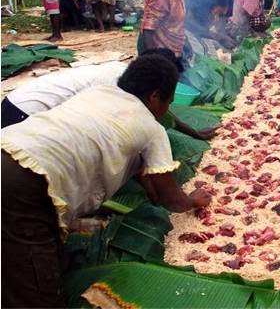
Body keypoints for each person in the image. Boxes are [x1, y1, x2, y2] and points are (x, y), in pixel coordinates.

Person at [1, 54, 212, 308]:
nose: (168, 109)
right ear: (155, 97)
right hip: (24, 178)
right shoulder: (151, 128)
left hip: (8, 143)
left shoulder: (99, 92)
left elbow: (134, 166)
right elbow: (171, 199)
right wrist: (193, 199)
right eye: (169, 100)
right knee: (37, 290)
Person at [1, 48, 217, 139]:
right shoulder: (118, 84)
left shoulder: (132, 78)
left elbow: (162, 110)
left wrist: (194, 133)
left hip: (21, 99)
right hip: (26, 110)